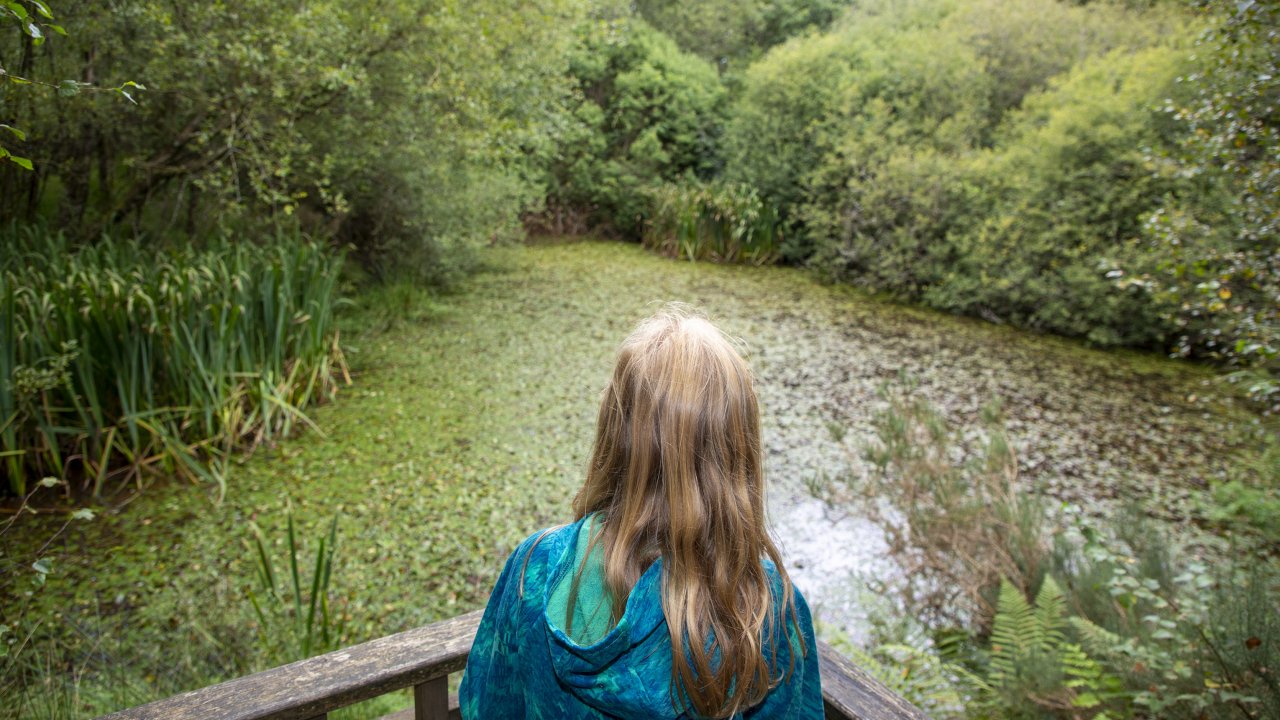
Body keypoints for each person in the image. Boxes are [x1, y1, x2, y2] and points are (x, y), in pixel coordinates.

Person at [459, 305, 823, 719]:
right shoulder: (764, 605)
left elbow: (486, 705)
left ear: (614, 431)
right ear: (737, 448)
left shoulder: (535, 567)